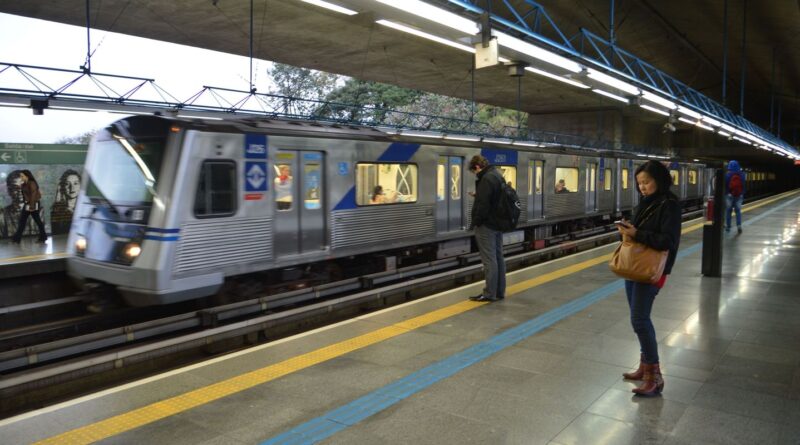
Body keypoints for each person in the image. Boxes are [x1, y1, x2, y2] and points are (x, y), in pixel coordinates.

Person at [616, 160, 681, 396]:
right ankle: (644, 368)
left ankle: (655, 377)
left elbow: (668, 241)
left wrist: (637, 233)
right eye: (639, 183)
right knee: (639, 319)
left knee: (640, 320)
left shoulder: (670, 205)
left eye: (647, 182)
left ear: (659, 180)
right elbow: (641, 232)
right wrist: (628, 230)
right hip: (634, 267)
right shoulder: (645, 202)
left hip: (652, 270)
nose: (642, 187)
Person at [467, 154, 506, 302]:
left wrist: (475, 222)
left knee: (489, 260)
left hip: (487, 225)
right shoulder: (496, 175)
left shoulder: (486, 179)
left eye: (474, 171)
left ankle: (490, 293)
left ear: (477, 167)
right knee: (498, 257)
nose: (475, 174)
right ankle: (499, 291)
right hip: (497, 223)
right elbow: (493, 198)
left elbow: (483, 206)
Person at [11, 170, 48, 244]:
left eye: (22, 176)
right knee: (22, 221)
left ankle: (43, 237)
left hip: (33, 204)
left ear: (27, 176)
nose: (21, 177)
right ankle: (16, 239)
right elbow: (25, 195)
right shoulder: (24, 184)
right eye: (20, 176)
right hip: (27, 204)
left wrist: (32, 206)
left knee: (38, 221)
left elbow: (33, 195)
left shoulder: (32, 183)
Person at [50, 169, 82, 234]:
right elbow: (56, 231)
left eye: (76, 183)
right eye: (67, 184)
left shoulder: (84, 208)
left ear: (80, 185)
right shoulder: (58, 209)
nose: (72, 188)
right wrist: (58, 196)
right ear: (62, 187)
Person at [724, 160, 745, 234]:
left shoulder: (727, 174)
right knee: (738, 211)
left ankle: (728, 227)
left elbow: (725, 185)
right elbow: (743, 185)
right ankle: (739, 226)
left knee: (728, 211)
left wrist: (727, 193)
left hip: (729, 195)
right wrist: (742, 193)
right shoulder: (742, 174)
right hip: (739, 196)